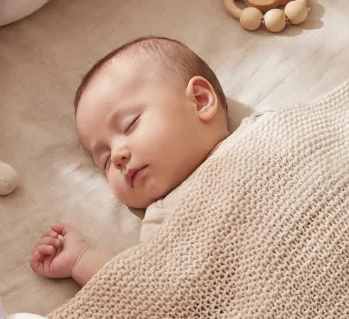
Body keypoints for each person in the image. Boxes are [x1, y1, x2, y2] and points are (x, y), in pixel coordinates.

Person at [31, 36, 230, 286]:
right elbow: (152, 288)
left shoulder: (266, 130)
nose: (116, 156)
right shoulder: (163, 218)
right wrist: (80, 260)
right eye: (104, 161)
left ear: (200, 101)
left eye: (129, 125)